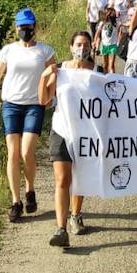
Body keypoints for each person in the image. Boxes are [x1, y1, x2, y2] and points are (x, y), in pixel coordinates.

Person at [0, 8, 57, 222]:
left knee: (27, 151)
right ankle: (16, 201)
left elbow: (53, 76)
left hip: (34, 105)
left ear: (35, 27)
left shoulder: (45, 51)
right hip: (11, 104)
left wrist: (49, 97)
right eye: (22, 26)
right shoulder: (8, 51)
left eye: (29, 26)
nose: (25, 30)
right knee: (12, 153)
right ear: (16, 27)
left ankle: (30, 189)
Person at [40, 30, 97, 247]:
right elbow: (44, 100)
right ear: (71, 47)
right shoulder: (61, 71)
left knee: (79, 177)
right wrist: (45, 77)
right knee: (62, 180)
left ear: (91, 47)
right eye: (78, 45)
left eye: (85, 44)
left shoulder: (96, 73)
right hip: (62, 130)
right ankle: (61, 228)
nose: (82, 48)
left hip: (85, 133)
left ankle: (76, 215)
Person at [96, 6, 122, 73]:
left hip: (113, 45)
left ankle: (112, 78)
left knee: (112, 65)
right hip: (104, 45)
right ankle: (105, 77)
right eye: (111, 14)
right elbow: (98, 33)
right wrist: (95, 43)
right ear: (107, 14)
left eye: (114, 14)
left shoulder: (117, 24)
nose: (112, 16)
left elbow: (120, 33)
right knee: (105, 64)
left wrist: (118, 43)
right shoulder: (103, 23)